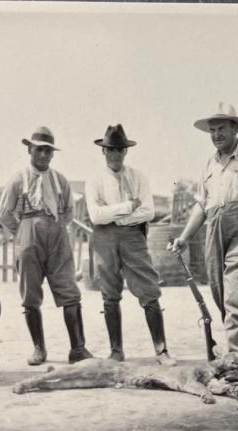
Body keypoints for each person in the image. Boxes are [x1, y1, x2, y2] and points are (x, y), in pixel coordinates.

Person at [169, 103, 238, 373]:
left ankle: (234, 366)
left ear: (235, 128)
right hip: (215, 232)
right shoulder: (209, 163)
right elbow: (201, 205)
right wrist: (184, 238)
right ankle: (237, 358)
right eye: (212, 130)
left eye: (222, 129)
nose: (216, 134)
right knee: (222, 296)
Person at [0, 126, 93, 365]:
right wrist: (23, 231)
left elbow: (70, 211)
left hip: (57, 234)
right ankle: (39, 349)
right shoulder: (18, 179)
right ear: (29, 150)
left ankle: (78, 348)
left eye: (48, 151)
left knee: (69, 290)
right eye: (39, 150)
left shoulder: (59, 180)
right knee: (30, 293)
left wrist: (57, 227)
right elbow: (3, 214)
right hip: (29, 235)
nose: (43, 156)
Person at [85, 124, 176, 365]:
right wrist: (126, 208)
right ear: (103, 152)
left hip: (133, 238)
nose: (115, 154)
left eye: (120, 150)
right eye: (110, 150)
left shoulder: (138, 177)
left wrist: (115, 215)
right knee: (109, 293)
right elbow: (96, 216)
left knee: (149, 290)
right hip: (104, 239)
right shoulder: (94, 180)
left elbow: (148, 212)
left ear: (126, 151)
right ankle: (116, 351)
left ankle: (161, 349)